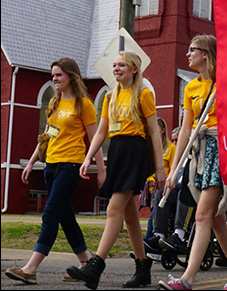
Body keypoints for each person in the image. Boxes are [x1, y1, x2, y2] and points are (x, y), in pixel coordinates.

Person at [66, 51, 166, 290]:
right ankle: (143, 268)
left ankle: (95, 265)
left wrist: (161, 168)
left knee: (113, 209)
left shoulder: (143, 94)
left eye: (122, 65)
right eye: (114, 65)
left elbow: (154, 132)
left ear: (134, 69)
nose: (116, 68)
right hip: (118, 152)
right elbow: (101, 132)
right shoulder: (110, 96)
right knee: (130, 215)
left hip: (135, 153)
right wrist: (88, 158)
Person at [158, 35, 227, 291]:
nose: (187, 55)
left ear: (206, 54)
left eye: (192, 50)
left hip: (221, 148)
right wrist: (174, 169)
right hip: (198, 152)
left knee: (202, 215)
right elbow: (185, 130)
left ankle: (186, 279)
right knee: (216, 219)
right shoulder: (190, 88)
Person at [5, 58, 105, 285]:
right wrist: (31, 162)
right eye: (53, 75)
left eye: (59, 75)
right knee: (65, 216)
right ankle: (85, 263)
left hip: (71, 166)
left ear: (71, 76)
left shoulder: (84, 104)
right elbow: (47, 137)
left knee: (50, 214)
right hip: (50, 165)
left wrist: (100, 170)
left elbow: (95, 139)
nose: (55, 79)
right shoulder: (55, 102)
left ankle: (30, 269)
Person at [144, 117, 176, 241]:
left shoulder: (170, 148)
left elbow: (174, 167)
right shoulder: (150, 147)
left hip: (162, 187)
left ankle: (149, 242)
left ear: (162, 130)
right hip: (150, 188)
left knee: (153, 218)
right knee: (153, 216)